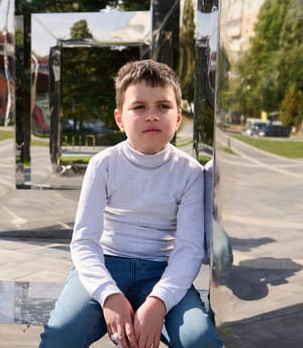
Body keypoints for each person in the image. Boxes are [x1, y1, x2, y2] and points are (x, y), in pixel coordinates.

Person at [39, 60, 222, 348]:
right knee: (61, 335)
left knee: (199, 340)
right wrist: (109, 295)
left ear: (178, 118)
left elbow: (188, 248)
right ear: (119, 119)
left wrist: (158, 302)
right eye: (139, 107)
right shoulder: (104, 165)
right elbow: (84, 242)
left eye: (163, 106)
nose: (152, 116)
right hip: (107, 265)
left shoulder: (189, 172)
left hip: (162, 270)